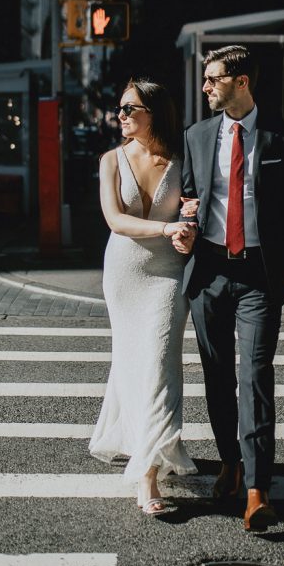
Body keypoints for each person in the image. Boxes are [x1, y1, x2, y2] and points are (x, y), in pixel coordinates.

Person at [172, 45, 284, 532]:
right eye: (206, 80)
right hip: (209, 273)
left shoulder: (279, 137)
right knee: (216, 375)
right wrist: (184, 223)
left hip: (259, 275)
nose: (206, 87)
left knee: (254, 376)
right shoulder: (197, 135)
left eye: (213, 79)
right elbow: (189, 198)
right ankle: (229, 462)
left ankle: (257, 490)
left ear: (242, 81)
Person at [89, 79, 198, 516]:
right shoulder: (111, 160)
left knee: (159, 363)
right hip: (124, 272)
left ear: (153, 111)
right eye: (120, 109)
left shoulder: (182, 157)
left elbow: (194, 207)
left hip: (168, 274)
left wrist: (188, 226)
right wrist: (166, 228)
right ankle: (141, 442)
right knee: (133, 361)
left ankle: (148, 472)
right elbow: (115, 220)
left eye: (130, 108)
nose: (121, 115)